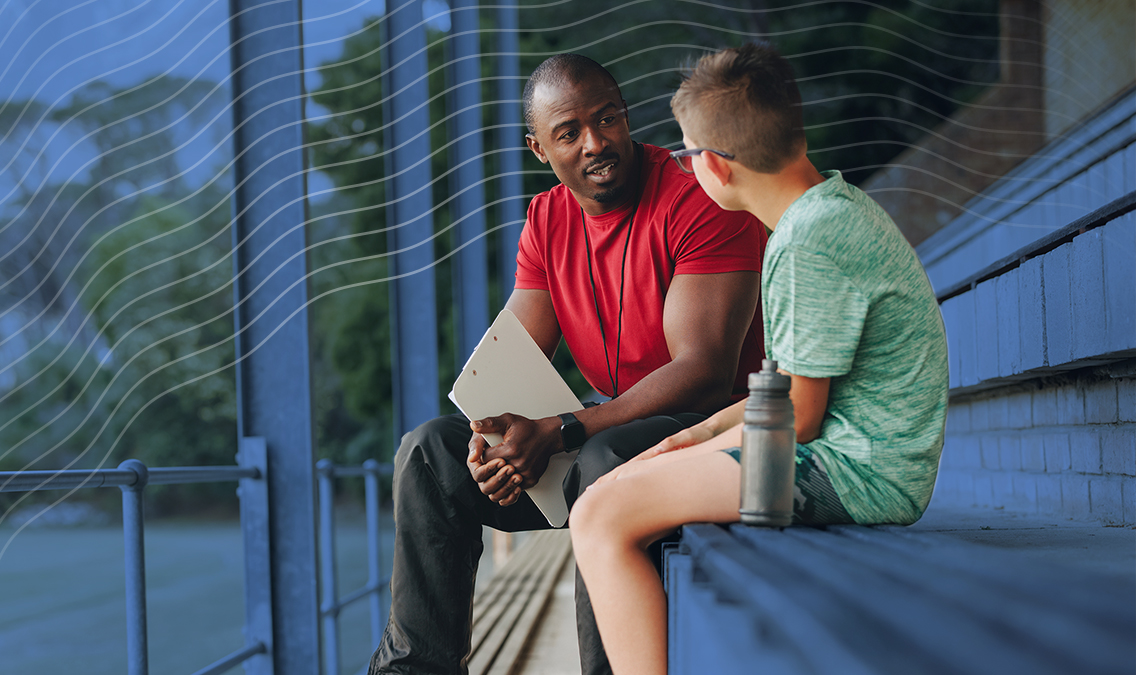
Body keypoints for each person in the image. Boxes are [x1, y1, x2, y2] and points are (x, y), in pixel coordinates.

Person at [368, 54, 768, 675]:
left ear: (626, 115)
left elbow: (704, 372)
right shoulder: (547, 221)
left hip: (718, 442)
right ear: (538, 148)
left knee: (608, 462)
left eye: (607, 119)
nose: (596, 142)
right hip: (611, 439)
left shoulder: (698, 197)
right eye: (569, 132)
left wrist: (566, 427)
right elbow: (509, 370)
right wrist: (490, 443)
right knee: (428, 456)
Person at [569, 43, 950, 675]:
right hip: (856, 460)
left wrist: (681, 457)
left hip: (858, 476)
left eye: (689, 156)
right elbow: (783, 397)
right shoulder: (827, 210)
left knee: (599, 516)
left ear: (715, 167)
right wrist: (688, 440)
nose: (687, 170)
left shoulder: (808, 243)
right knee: (620, 485)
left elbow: (797, 420)